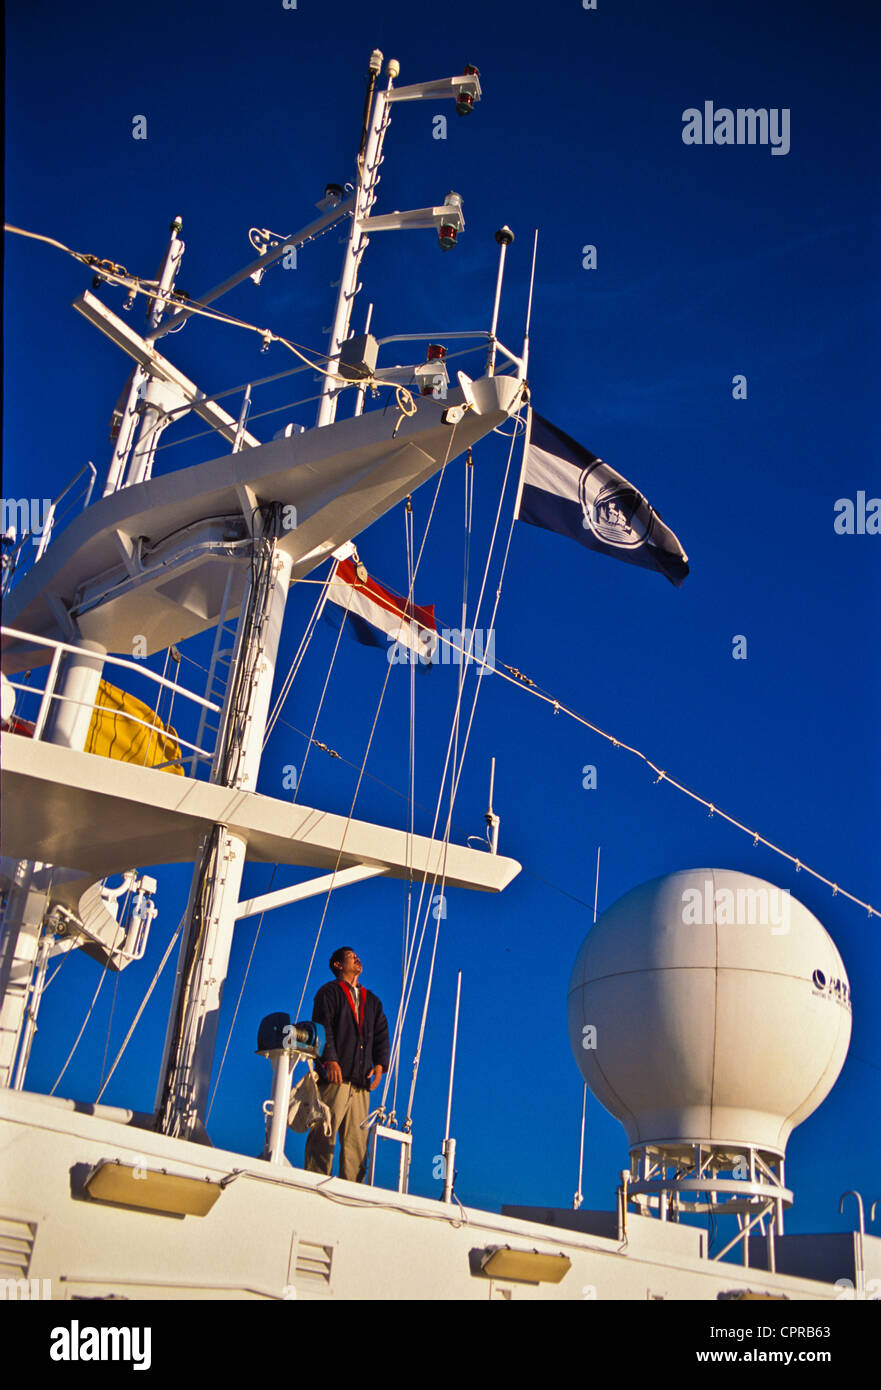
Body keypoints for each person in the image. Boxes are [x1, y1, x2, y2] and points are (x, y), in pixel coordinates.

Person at [304, 946, 390, 1183]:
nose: (357, 958)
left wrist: (380, 1065)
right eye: (351, 956)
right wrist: (330, 1059)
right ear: (338, 965)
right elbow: (323, 1027)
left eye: (357, 956)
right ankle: (313, 1182)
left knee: (357, 1143)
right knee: (324, 1133)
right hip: (336, 1079)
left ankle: (351, 1191)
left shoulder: (372, 1001)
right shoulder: (328, 993)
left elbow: (381, 1033)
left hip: (361, 1082)